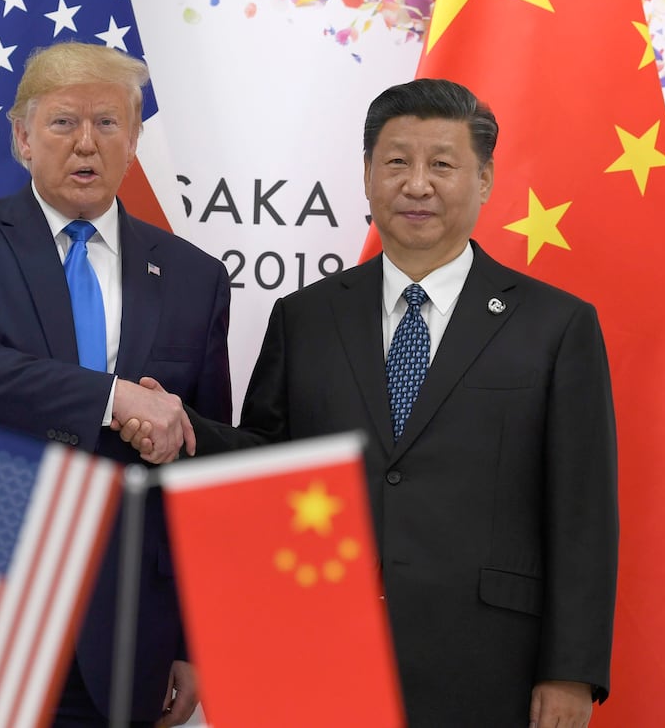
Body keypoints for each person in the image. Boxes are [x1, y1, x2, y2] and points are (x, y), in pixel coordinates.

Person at [120, 78, 617, 727]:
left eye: (442, 163)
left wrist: (570, 668)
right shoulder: (307, 316)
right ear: (366, 174)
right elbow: (269, 461)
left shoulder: (555, 325)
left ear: (486, 178)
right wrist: (186, 429)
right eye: (396, 162)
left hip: (489, 661)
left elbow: (582, 511)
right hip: (323, 648)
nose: (417, 184)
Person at [0, 41, 233, 728]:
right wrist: (118, 400)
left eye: (109, 123)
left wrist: (188, 636)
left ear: (135, 137)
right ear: (22, 137)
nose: (87, 142)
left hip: (121, 618)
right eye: (62, 123)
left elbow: (196, 470)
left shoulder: (193, 275)